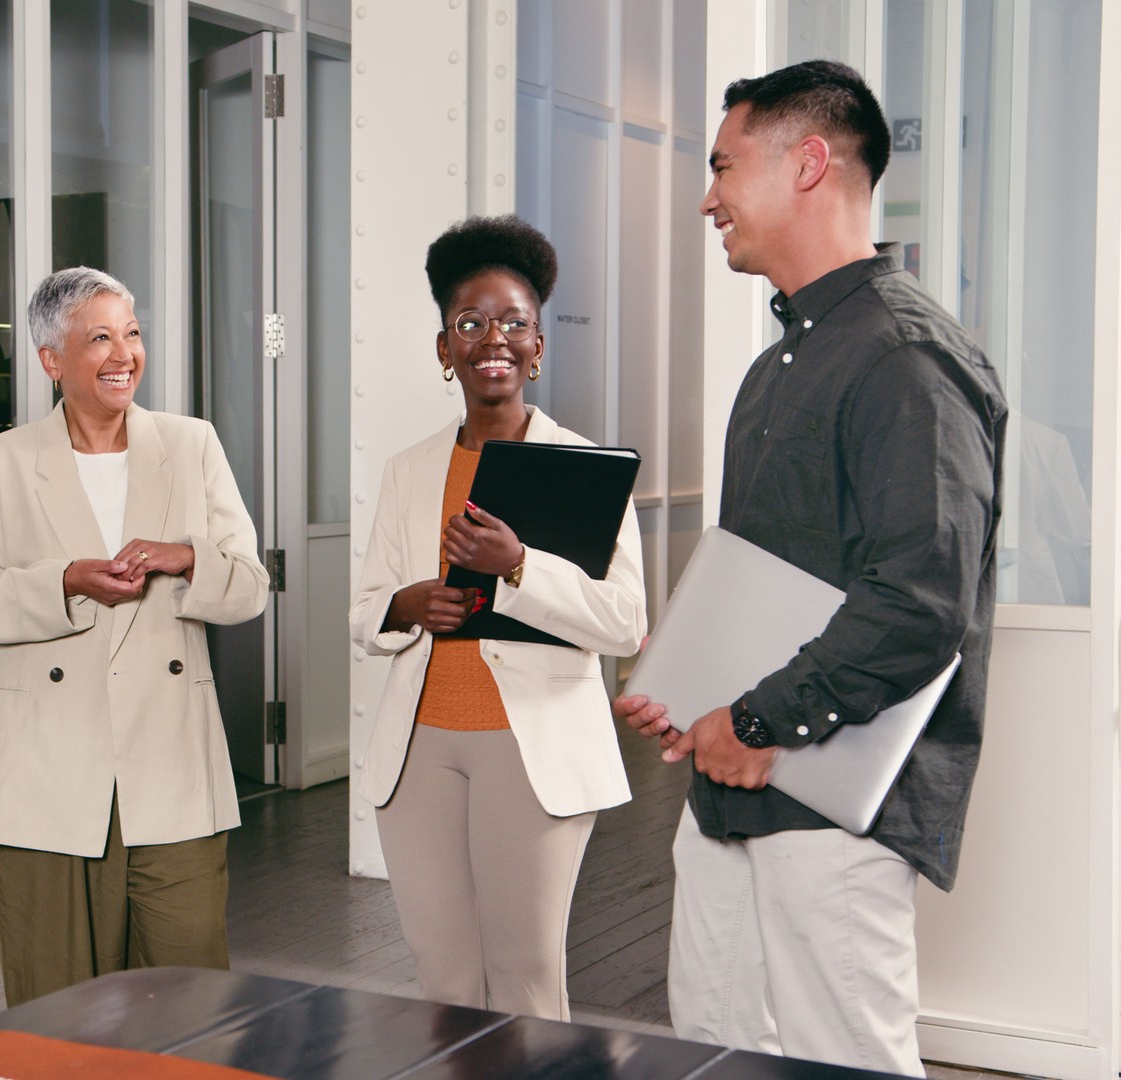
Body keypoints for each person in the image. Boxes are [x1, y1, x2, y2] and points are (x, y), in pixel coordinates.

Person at [614, 60, 1005, 1075]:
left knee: (845, 1063)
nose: (708, 198)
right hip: (725, 800)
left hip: (831, 809)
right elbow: (773, 578)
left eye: (724, 166)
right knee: (716, 1054)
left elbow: (920, 605)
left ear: (810, 165)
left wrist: (754, 720)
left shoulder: (906, 359)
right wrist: (691, 689)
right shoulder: (779, 363)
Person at [0, 266, 269, 1006]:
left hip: (172, 764)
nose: (124, 353)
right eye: (100, 338)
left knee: (187, 998)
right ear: (52, 361)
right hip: (43, 769)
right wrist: (63, 582)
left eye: (132, 333)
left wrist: (187, 559)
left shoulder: (191, 445)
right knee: (54, 1007)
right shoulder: (6, 460)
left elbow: (250, 586)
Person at [348, 215, 646, 1019]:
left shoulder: (586, 473)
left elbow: (623, 623)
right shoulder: (409, 472)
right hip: (419, 751)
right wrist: (407, 606)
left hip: (532, 749)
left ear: (539, 349)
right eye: (470, 323)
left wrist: (515, 566)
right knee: (443, 983)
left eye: (515, 323)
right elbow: (366, 610)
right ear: (445, 349)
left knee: (524, 985)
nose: (494, 339)